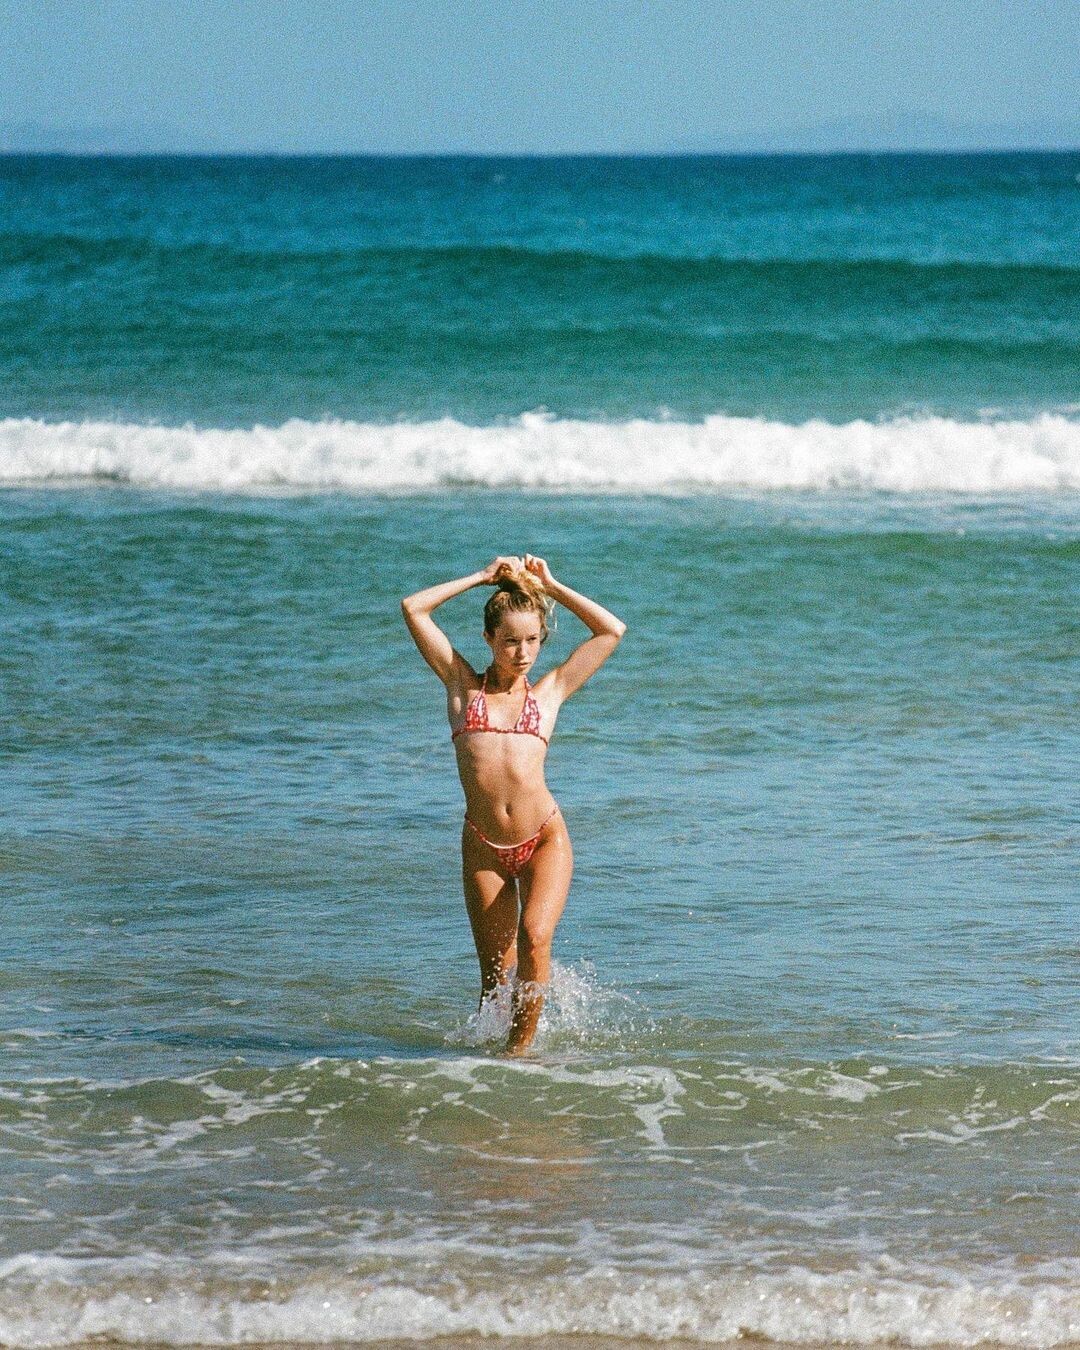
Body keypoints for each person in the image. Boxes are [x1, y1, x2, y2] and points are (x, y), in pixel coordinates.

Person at [401, 553, 626, 1055]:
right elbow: (414, 608)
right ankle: (489, 1059)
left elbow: (611, 630)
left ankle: (518, 1055)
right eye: (510, 641)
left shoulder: (549, 693)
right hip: (484, 846)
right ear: (488, 639)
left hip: (544, 837)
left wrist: (552, 585)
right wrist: (481, 577)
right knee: (494, 976)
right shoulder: (462, 688)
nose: (523, 653)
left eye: (532, 640)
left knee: (534, 936)